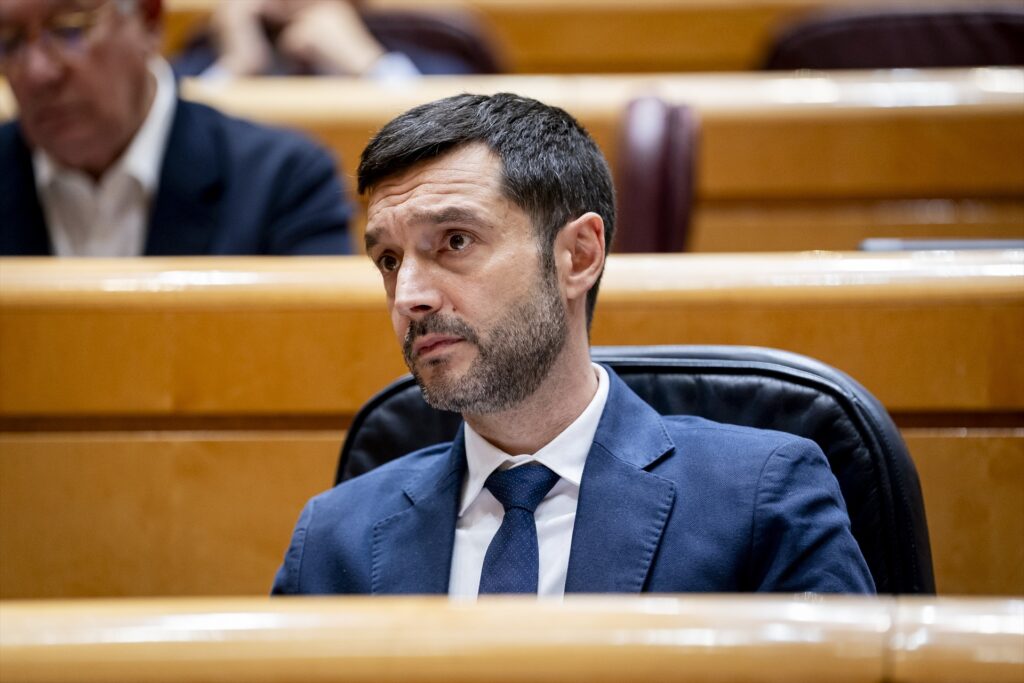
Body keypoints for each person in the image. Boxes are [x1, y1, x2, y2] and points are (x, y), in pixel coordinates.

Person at [272, 93, 875, 596]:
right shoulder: (332, 538)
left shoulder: (762, 499)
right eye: (388, 259)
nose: (409, 296)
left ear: (578, 256)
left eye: (455, 241)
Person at [0, 0, 350, 256]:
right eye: (8, 41)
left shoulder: (284, 182)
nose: (37, 72)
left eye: (70, 28)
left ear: (148, 19)